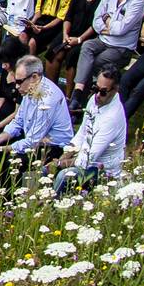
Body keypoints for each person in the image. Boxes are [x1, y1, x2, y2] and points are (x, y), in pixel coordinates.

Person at [0, 55, 74, 173]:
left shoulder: (47, 101)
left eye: (19, 82)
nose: (16, 86)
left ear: (34, 77)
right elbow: (18, 121)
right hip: (33, 138)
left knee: (9, 162)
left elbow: (33, 141)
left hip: (52, 147)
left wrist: (1, 149)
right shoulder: (31, 89)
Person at [54, 65, 126, 193]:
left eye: (103, 92)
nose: (97, 95)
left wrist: (59, 164)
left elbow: (87, 159)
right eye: (95, 88)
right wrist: (65, 154)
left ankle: (52, 206)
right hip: (86, 157)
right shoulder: (94, 100)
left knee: (63, 176)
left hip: (103, 171)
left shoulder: (112, 118)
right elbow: (82, 132)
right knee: (50, 159)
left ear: (115, 90)